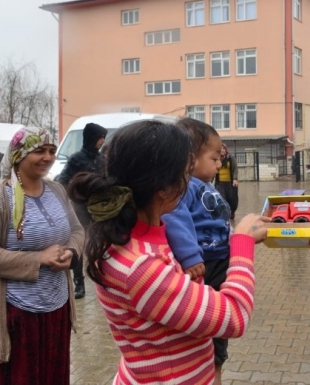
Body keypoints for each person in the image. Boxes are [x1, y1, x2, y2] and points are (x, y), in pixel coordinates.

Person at [67, 119, 269, 384]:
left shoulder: (135, 232)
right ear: (163, 189)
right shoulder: (139, 266)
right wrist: (241, 242)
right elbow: (233, 317)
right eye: (186, 175)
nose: (190, 183)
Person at [0, 126, 85, 384]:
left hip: (56, 308)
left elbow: (77, 230)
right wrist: (38, 259)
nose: (48, 157)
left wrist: (72, 252)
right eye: (39, 151)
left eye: (52, 151)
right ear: (19, 155)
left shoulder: (57, 191)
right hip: (14, 314)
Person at [162, 118, 235, 385]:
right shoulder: (184, 186)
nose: (219, 165)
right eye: (214, 158)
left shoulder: (203, 185)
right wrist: (190, 256)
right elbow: (176, 218)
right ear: (190, 159)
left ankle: (216, 366)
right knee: (215, 326)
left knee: (219, 331)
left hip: (219, 259)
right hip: (204, 264)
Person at [57, 122, 108, 299]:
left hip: (100, 210)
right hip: (80, 209)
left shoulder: (103, 160)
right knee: (79, 245)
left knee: (100, 246)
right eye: (100, 137)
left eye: (103, 138)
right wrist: (75, 192)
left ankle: (102, 279)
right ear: (91, 138)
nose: (102, 141)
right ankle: (79, 282)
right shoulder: (76, 159)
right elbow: (62, 180)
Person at [215, 143, 239, 221]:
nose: (222, 150)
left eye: (224, 148)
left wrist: (235, 179)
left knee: (232, 199)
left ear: (226, 150)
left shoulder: (230, 158)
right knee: (222, 199)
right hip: (220, 184)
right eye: (221, 148)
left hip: (230, 183)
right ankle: (225, 214)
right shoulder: (216, 159)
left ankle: (232, 212)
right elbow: (213, 169)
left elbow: (235, 169)